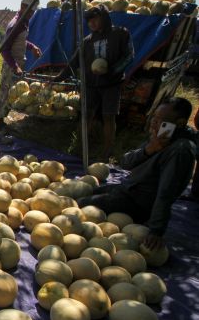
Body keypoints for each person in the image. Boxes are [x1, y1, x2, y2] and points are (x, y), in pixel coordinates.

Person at [78, 97, 197, 250]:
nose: (154, 122)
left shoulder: (181, 150)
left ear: (179, 123)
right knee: (87, 191)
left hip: (138, 203)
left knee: (81, 204)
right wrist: (150, 149)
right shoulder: (162, 135)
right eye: (154, 116)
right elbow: (126, 162)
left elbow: (166, 192)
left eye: (160, 119)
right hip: (128, 189)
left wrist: (156, 230)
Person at [54, 5, 134, 161]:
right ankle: (80, 146)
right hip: (91, 83)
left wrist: (112, 70)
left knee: (108, 116)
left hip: (111, 83)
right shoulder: (88, 41)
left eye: (95, 19)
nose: (92, 23)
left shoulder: (120, 34)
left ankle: (107, 151)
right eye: (89, 21)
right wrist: (59, 77)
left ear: (104, 17)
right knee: (86, 114)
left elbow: (129, 56)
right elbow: (75, 61)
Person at [0, 0, 42, 137]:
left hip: (18, 63)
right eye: (30, 10)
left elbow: (20, 41)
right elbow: (5, 50)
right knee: (4, 94)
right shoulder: (16, 24)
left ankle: (2, 122)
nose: (32, 14)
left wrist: (32, 47)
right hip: (11, 65)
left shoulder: (24, 22)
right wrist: (15, 67)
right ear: (23, 7)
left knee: (11, 94)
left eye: (34, 11)